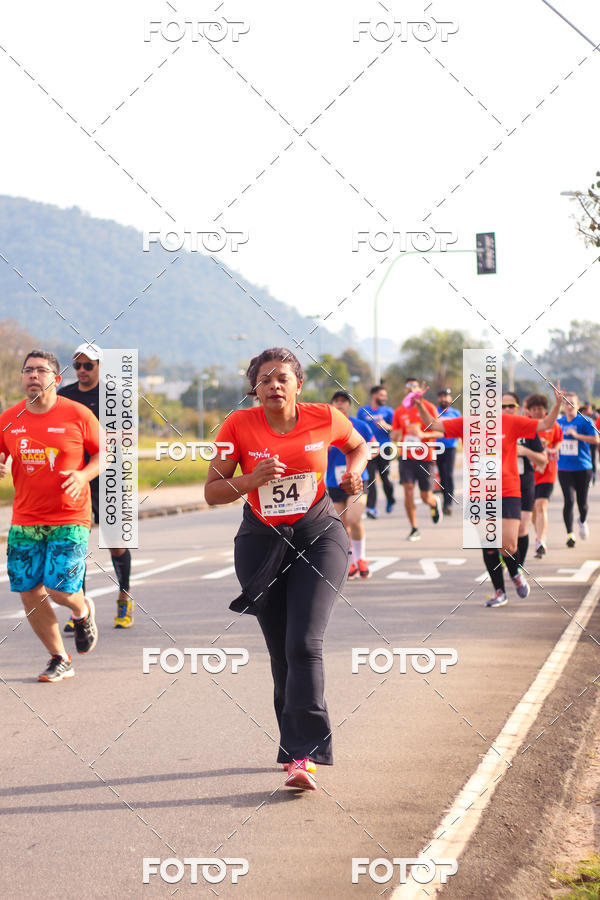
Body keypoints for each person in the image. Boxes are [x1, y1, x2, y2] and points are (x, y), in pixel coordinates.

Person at [204, 348, 369, 791]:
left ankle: (303, 755)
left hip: (318, 534)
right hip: (261, 541)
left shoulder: (324, 417)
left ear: (298, 384)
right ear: (253, 387)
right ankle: (293, 746)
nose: (273, 385)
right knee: (281, 650)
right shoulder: (237, 426)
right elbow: (212, 491)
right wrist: (252, 479)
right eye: (264, 379)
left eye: (282, 378)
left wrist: (353, 474)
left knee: (304, 643)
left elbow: (359, 446)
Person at [415, 382, 562, 607]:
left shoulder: (509, 422)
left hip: (509, 489)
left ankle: (514, 573)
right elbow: (432, 424)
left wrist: (558, 403)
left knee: (509, 545)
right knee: (489, 543)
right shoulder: (468, 423)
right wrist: (419, 404)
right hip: (480, 492)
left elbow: (545, 423)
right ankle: (499, 591)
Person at [0, 350, 99, 681]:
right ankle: (60, 657)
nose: (33, 376)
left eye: (40, 371)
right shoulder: (9, 418)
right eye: (27, 370)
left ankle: (82, 611)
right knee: (29, 590)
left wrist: (83, 476)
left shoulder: (78, 414)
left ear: (56, 379)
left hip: (70, 516)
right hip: (25, 519)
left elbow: (105, 455)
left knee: (58, 588)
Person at [58, 344, 134, 629]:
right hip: (77, 478)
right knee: (78, 543)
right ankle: (80, 609)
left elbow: (126, 436)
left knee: (115, 544)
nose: (82, 371)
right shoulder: (64, 397)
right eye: (77, 366)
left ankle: (124, 597)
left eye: (88, 365)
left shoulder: (113, 397)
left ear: (100, 366)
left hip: (108, 477)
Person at [325, 391, 374, 579]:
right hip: (334, 481)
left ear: (349, 405)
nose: (340, 404)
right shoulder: (325, 427)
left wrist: (362, 458)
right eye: (336, 401)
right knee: (342, 524)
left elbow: (373, 448)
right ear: (332, 404)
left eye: (344, 401)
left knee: (354, 518)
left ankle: (361, 558)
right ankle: (351, 561)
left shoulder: (360, 425)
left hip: (357, 479)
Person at [390, 377, 443, 542]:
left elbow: (440, 432)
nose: (411, 388)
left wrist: (423, 435)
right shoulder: (399, 411)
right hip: (406, 456)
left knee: (426, 496)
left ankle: (434, 503)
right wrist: (395, 435)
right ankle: (414, 528)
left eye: (414, 386)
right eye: (408, 386)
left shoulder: (429, 408)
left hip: (425, 456)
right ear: (405, 390)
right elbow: (395, 434)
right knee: (408, 491)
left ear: (419, 389)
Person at [505, 393, 546, 569]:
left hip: (524, 481)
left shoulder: (527, 428)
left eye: (511, 406)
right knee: (503, 532)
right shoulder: (491, 429)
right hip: (501, 485)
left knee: (522, 528)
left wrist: (525, 452)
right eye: (503, 406)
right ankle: (508, 560)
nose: (507, 409)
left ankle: (517, 569)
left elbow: (543, 460)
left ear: (518, 407)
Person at [557, 391, 598, 547]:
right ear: (563, 405)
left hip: (582, 467)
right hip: (564, 468)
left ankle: (582, 521)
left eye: (572, 403)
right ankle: (570, 534)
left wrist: (577, 435)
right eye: (567, 403)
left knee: (582, 503)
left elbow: (596, 439)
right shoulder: (558, 422)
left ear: (578, 405)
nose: (569, 406)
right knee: (569, 500)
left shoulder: (585, 421)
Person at [524, 393, 562, 558]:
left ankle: (541, 541)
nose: (537, 412)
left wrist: (555, 449)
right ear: (529, 411)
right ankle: (538, 534)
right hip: (530, 473)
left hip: (547, 472)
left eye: (540, 409)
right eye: (534, 409)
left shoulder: (552, 425)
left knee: (541, 506)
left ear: (545, 409)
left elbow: (558, 440)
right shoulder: (525, 425)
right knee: (532, 510)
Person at [356, 385, 395, 518]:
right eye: (382, 395)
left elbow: (396, 430)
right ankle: (371, 508)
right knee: (371, 478)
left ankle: (390, 499)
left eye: (385, 395)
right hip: (369, 449)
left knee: (385, 478)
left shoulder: (388, 411)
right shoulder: (362, 411)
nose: (385, 398)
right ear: (374, 395)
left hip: (384, 449)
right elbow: (358, 429)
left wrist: (387, 426)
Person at [436, 388, 461, 515]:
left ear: (450, 399)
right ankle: (440, 500)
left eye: (445, 396)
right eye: (441, 397)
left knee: (448, 475)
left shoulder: (456, 413)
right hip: (436, 447)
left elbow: (462, 430)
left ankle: (448, 503)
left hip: (450, 447)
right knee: (440, 475)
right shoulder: (434, 412)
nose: (443, 399)